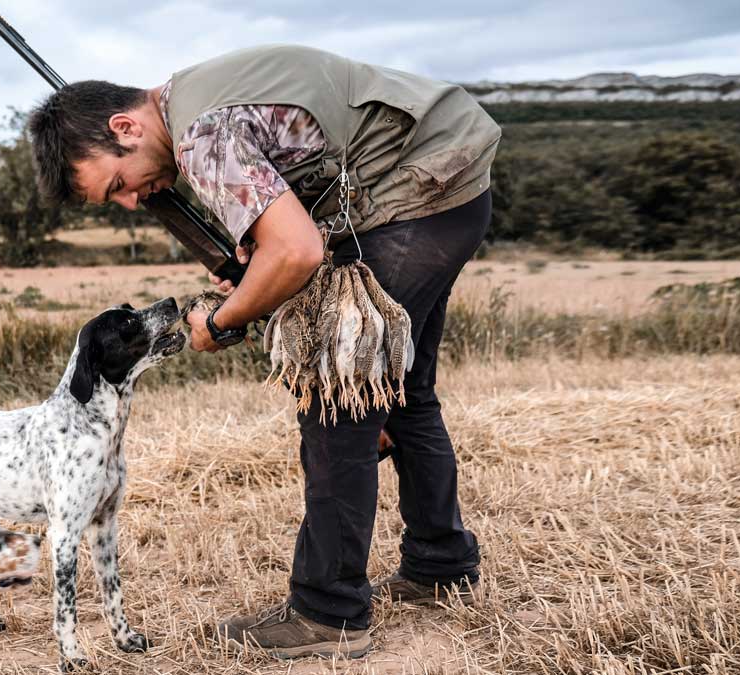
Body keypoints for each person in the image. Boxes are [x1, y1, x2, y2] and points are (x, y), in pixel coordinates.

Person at [27, 44, 500, 660]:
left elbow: (296, 253)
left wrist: (221, 320)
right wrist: (258, 266)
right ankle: (440, 569)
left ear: (125, 127)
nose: (131, 200)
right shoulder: (191, 101)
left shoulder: (201, 134)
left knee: (338, 398)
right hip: (447, 174)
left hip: (420, 189)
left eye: (118, 183)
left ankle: (328, 613)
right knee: (399, 389)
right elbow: (287, 229)